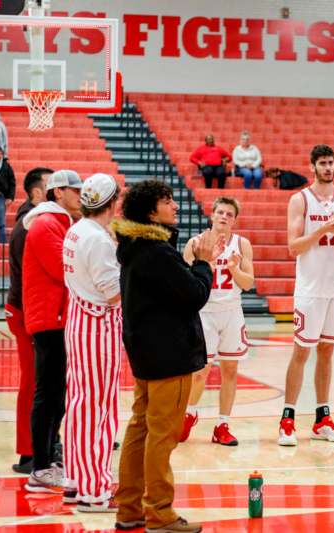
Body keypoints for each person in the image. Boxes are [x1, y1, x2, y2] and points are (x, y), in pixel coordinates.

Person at [113, 180, 220, 533]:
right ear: (150, 212)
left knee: (140, 429)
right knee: (161, 435)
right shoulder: (155, 251)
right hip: (168, 355)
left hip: (146, 353)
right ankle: (159, 511)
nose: (175, 205)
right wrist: (204, 263)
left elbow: (171, 291)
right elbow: (193, 295)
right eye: (167, 201)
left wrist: (188, 263)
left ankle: (129, 508)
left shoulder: (135, 246)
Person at [278, 145, 334, 446]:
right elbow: (293, 246)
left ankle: (322, 417)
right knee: (301, 352)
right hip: (310, 288)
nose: (327, 168)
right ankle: (287, 418)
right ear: (312, 167)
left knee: (327, 353)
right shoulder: (300, 199)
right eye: (322, 163)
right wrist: (323, 229)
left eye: (331, 163)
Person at [61, 173, 122, 512]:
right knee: (97, 409)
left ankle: (75, 479)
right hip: (98, 325)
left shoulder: (76, 229)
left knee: (80, 404)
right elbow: (113, 294)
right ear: (113, 203)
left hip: (80, 320)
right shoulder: (97, 239)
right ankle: (94, 488)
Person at [21, 169, 83, 493]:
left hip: (58, 317)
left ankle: (47, 461)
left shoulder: (60, 224)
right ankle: (40, 467)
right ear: (58, 192)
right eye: (75, 190)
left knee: (56, 394)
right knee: (48, 394)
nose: (80, 195)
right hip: (49, 320)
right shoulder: (46, 224)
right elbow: (64, 269)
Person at [180, 197, 255, 447]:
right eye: (220, 212)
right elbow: (184, 283)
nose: (224, 217)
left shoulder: (242, 245)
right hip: (204, 312)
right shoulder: (195, 243)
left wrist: (234, 269)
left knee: (230, 370)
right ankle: (189, 414)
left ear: (234, 220)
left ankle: (222, 424)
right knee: (199, 372)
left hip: (232, 311)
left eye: (229, 214)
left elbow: (247, 283)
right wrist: (207, 264)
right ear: (212, 215)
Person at [5, 167, 52, 474]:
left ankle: (46, 442)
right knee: (33, 382)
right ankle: (27, 452)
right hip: (26, 312)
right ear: (38, 193)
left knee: (43, 382)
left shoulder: (38, 220)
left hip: (29, 309)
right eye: (53, 186)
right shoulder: (30, 224)